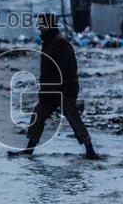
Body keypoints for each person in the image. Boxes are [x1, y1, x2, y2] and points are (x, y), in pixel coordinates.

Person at [9, 14, 98, 159]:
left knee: (74, 120)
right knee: (38, 116)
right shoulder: (49, 42)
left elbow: (67, 69)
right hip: (50, 91)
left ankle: (90, 150)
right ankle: (29, 150)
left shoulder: (60, 43)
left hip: (63, 90)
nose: (39, 27)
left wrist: (67, 90)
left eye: (41, 24)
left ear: (49, 26)